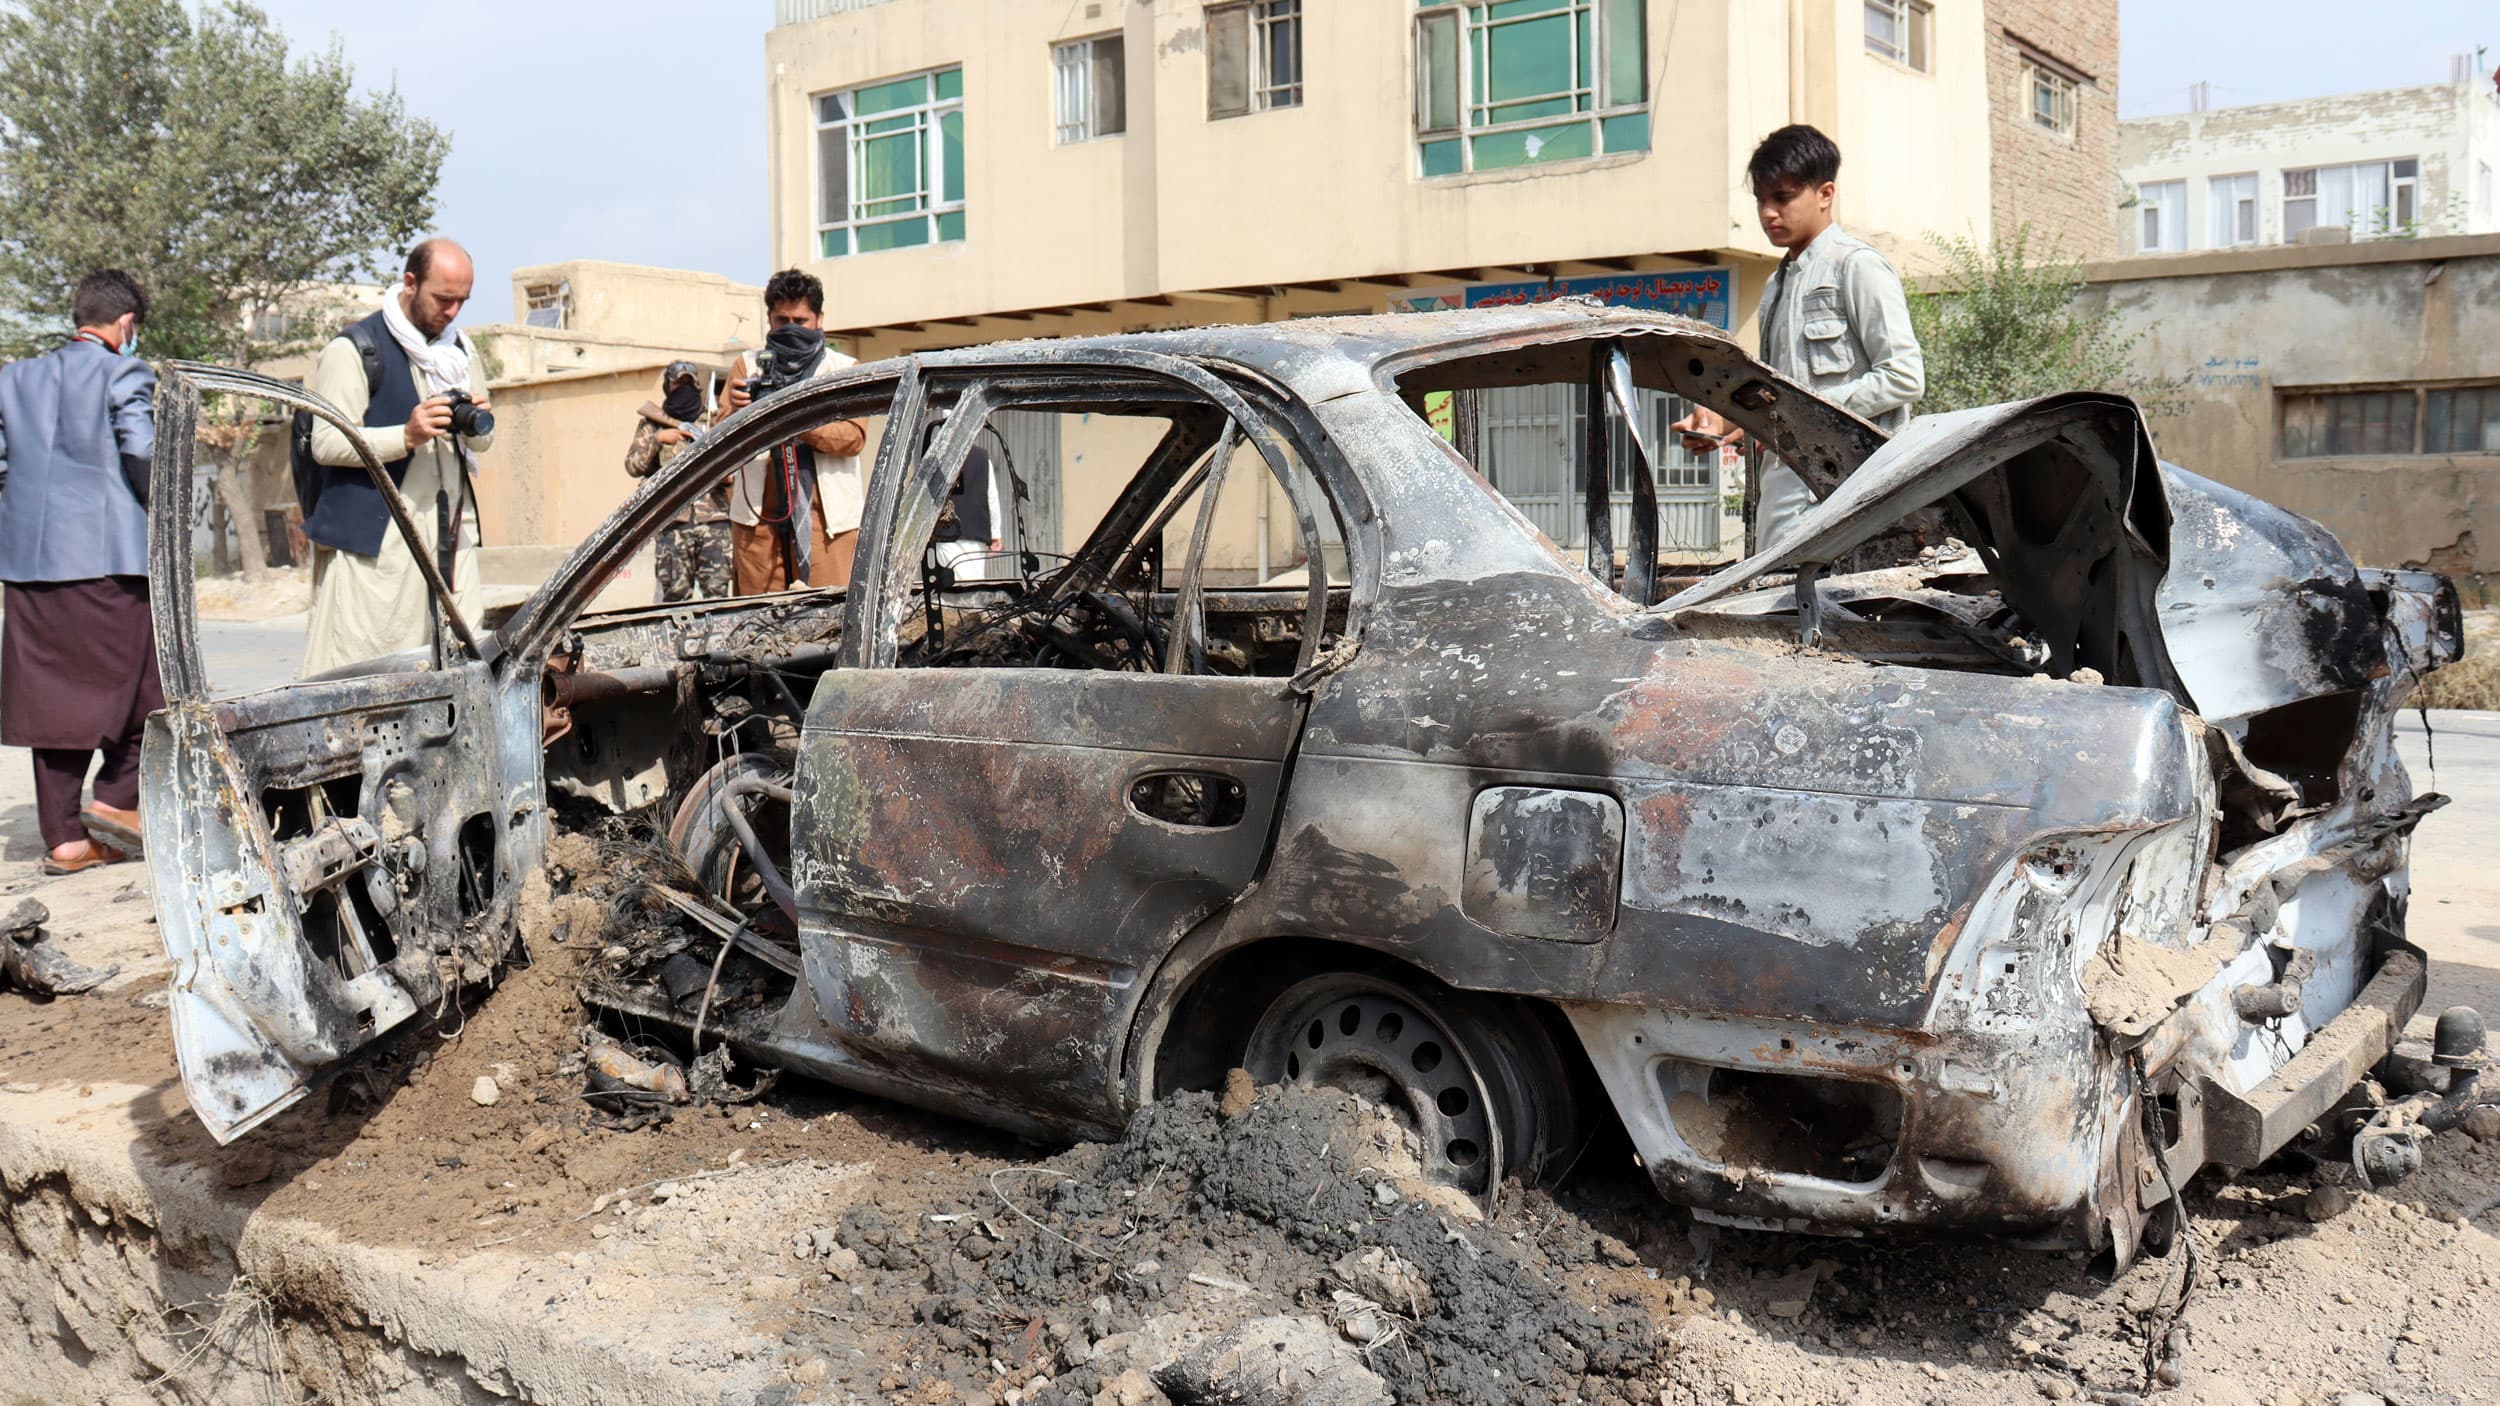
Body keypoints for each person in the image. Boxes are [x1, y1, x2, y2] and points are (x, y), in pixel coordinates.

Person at [1675, 124, 1923, 551]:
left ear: (1825, 194)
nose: (1769, 213)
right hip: (1783, 490)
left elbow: (1904, 377)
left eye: (1783, 198)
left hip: (1848, 494)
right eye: (1761, 200)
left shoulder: (1856, 267)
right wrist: (1725, 422)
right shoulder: (1777, 284)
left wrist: (1805, 409)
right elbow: (1777, 394)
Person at [0, 269, 162, 874]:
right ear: (126, 324)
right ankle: (119, 802)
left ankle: (66, 839)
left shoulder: (13, 378)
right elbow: (142, 450)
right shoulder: (126, 370)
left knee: (54, 703)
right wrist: (158, 518)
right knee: (150, 689)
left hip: (29, 566)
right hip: (107, 561)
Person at [300, 237, 494, 675]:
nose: (453, 312)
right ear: (410, 282)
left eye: (462, 301)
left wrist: (480, 423)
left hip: (450, 543)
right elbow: (326, 443)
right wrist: (404, 436)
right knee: (370, 677)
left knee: (461, 673)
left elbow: (479, 446)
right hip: (380, 552)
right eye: (443, 299)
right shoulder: (354, 351)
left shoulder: (460, 354)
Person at [719, 269, 869, 594]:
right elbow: (716, 448)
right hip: (759, 524)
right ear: (769, 320)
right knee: (756, 626)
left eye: (800, 321)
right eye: (781, 321)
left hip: (827, 524)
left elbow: (853, 437)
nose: (790, 329)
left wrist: (793, 416)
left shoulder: (844, 370)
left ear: (819, 319)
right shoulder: (748, 367)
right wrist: (736, 411)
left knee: (828, 623)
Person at [627, 361, 731, 602]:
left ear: (696, 385)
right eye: (677, 382)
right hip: (673, 522)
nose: (683, 387)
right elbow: (633, 466)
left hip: (714, 522)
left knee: (717, 598)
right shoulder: (653, 424)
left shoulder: (712, 421)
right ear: (667, 385)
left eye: (688, 382)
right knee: (674, 599)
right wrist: (658, 439)